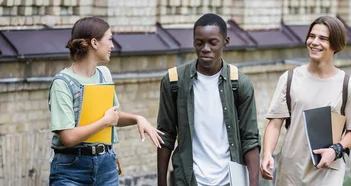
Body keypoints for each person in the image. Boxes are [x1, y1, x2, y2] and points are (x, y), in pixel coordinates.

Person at [48, 17, 164, 186]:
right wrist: (105, 122)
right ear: (94, 43)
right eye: (109, 39)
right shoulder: (62, 83)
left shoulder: (104, 75)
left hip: (106, 166)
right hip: (71, 169)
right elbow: (68, 137)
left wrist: (137, 118)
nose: (113, 45)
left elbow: (112, 117)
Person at [156, 13, 260, 186]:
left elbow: (250, 139)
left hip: (230, 180)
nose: (205, 48)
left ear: (225, 41)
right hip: (189, 180)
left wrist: (254, 183)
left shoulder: (240, 84)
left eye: (212, 42)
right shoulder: (174, 81)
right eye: (199, 42)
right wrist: (161, 183)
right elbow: (165, 136)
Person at [260, 16, 351, 185]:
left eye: (323, 38)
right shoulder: (290, 78)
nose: (314, 42)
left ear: (336, 44)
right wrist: (267, 154)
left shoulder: (349, 86)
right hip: (291, 172)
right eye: (312, 36)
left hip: (327, 173)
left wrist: (335, 150)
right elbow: (274, 124)